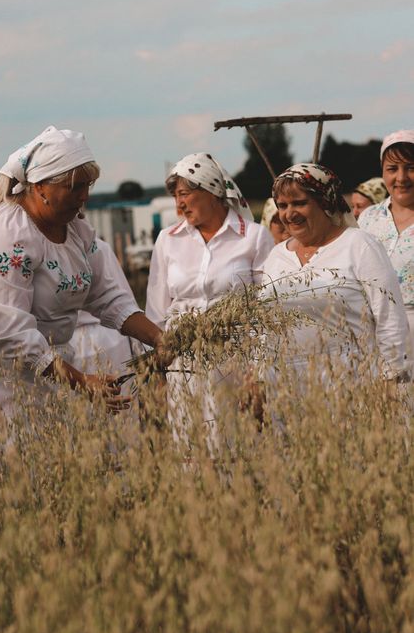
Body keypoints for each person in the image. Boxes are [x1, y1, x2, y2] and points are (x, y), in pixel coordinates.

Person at [0, 125, 164, 461]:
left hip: (48, 365)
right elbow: (12, 333)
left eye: (88, 186)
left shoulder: (77, 230)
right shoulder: (7, 236)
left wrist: (160, 338)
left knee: (52, 458)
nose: (84, 196)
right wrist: (81, 381)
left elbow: (108, 296)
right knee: (8, 463)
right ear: (40, 187)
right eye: (74, 187)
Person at [145, 152, 274, 441]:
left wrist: (258, 373)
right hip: (183, 363)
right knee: (190, 443)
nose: (179, 204)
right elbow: (156, 308)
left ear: (211, 191)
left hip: (235, 361)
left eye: (184, 194)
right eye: (175, 196)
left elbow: (266, 309)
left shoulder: (253, 237)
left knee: (236, 442)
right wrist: (158, 369)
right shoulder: (168, 240)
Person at [261, 163, 410, 380]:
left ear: (325, 203)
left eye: (300, 203)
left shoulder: (359, 245)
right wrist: (258, 376)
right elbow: (263, 324)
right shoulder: (276, 256)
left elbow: (389, 318)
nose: (289, 214)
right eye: (282, 206)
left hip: (353, 384)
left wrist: (392, 376)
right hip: (285, 386)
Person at [358, 130, 414, 353]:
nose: (401, 178)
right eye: (392, 169)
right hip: (371, 332)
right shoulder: (368, 218)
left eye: (411, 167)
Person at [69, 238, 143, 376]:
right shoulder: (36, 251)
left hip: (106, 335)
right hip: (71, 342)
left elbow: (123, 298)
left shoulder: (99, 247)